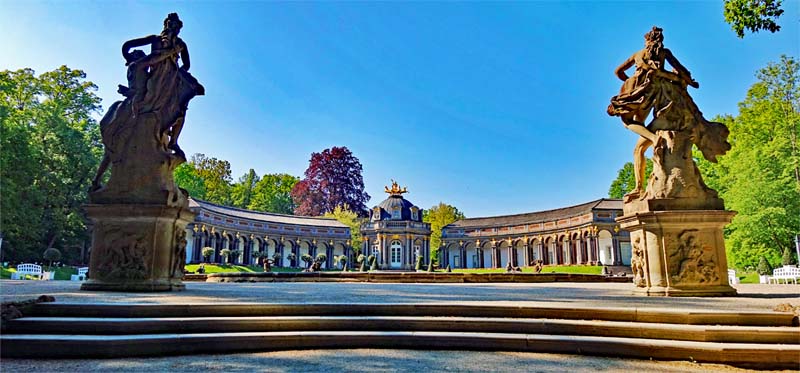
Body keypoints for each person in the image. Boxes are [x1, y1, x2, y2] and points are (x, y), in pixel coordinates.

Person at [607, 26, 698, 201]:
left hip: (635, 89)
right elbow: (681, 69)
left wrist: (629, 81)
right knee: (639, 125)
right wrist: (689, 81)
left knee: (628, 123)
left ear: (646, 40)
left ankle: (639, 186)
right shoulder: (665, 53)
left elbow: (618, 71)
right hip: (651, 93)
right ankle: (652, 139)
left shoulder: (638, 54)